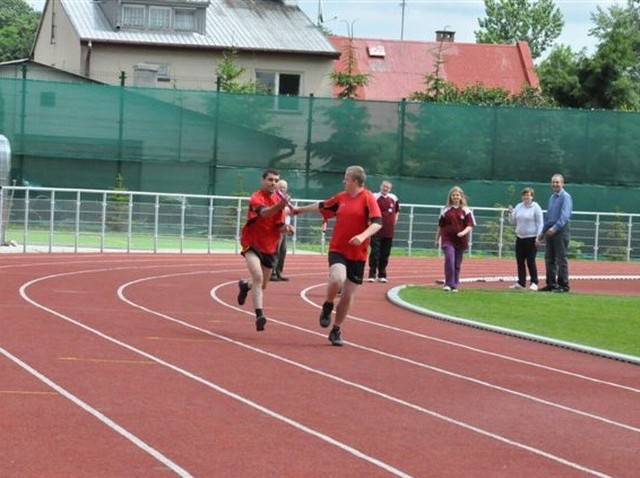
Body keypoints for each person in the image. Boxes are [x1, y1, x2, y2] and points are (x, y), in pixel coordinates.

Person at [293, 165, 382, 346]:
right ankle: (327, 305)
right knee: (337, 278)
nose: (344, 181)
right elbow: (322, 205)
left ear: (355, 181)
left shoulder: (368, 198)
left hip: (358, 253)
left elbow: (378, 222)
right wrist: (299, 209)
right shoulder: (341, 198)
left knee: (348, 296)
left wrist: (362, 236)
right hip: (338, 249)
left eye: (346, 178)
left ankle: (336, 329)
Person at [237, 169, 294, 331]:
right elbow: (265, 213)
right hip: (252, 243)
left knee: (261, 284)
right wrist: (281, 205)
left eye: (276, 180)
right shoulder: (256, 197)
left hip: (270, 246)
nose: (273, 183)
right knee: (257, 276)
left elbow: (279, 226)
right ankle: (259, 315)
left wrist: (287, 228)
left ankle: (244, 286)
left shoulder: (279, 201)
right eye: (270, 180)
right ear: (263, 180)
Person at [435, 186, 475, 292]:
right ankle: (448, 284)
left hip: (460, 241)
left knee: (457, 263)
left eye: (457, 195)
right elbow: (440, 226)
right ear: (450, 197)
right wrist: (436, 238)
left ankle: (455, 285)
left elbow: (470, 225)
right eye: (453, 195)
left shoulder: (466, 210)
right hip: (447, 239)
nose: (455, 197)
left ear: (461, 196)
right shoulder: (445, 210)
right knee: (449, 259)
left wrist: (463, 232)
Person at [537, 173, 573, 292]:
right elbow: (549, 217)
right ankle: (551, 284)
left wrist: (555, 228)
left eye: (557, 182)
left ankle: (563, 285)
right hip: (550, 230)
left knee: (561, 258)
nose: (555, 184)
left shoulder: (565, 197)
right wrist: (542, 233)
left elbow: (565, 216)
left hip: (560, 231)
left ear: (562, 183)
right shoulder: (552, 197)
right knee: (549, 258)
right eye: (553, 182)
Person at [508, 187, 544, 291]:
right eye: (524, 195)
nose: (526, 197)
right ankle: (521, 282)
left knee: (530, 261)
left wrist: (538, 237)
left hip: (531, 238)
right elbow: (512, 222)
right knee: (520, 261)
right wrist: (510, 213)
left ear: (532, 196)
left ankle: (534, 282)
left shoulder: (536, 207)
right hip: (520, 237)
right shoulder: (519, 206)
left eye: (528, 195)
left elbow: (540, 223)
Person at [367, 180, 400, 283]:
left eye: (387, 187)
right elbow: (368, 209)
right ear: (381, 186)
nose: (385, 188)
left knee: (385, 253)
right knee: (375, 252)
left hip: (388, 230)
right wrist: (369, 222)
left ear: (390, 189)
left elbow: (397, 211)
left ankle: (382, 274)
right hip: (376, 229)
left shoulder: (394, 198)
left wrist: (395, 220)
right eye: (384, 186)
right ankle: (372, 274)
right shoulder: (374, 196)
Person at [270, 179, 291, 282]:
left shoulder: (286, 198)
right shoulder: (275, 198)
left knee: (283, 251)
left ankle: (279, 272)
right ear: (277, 187)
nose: (282, 188)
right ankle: (272, 272)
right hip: (277, 228)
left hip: (285, 227)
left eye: (284, 187)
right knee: (276, 251)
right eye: (281, 186)